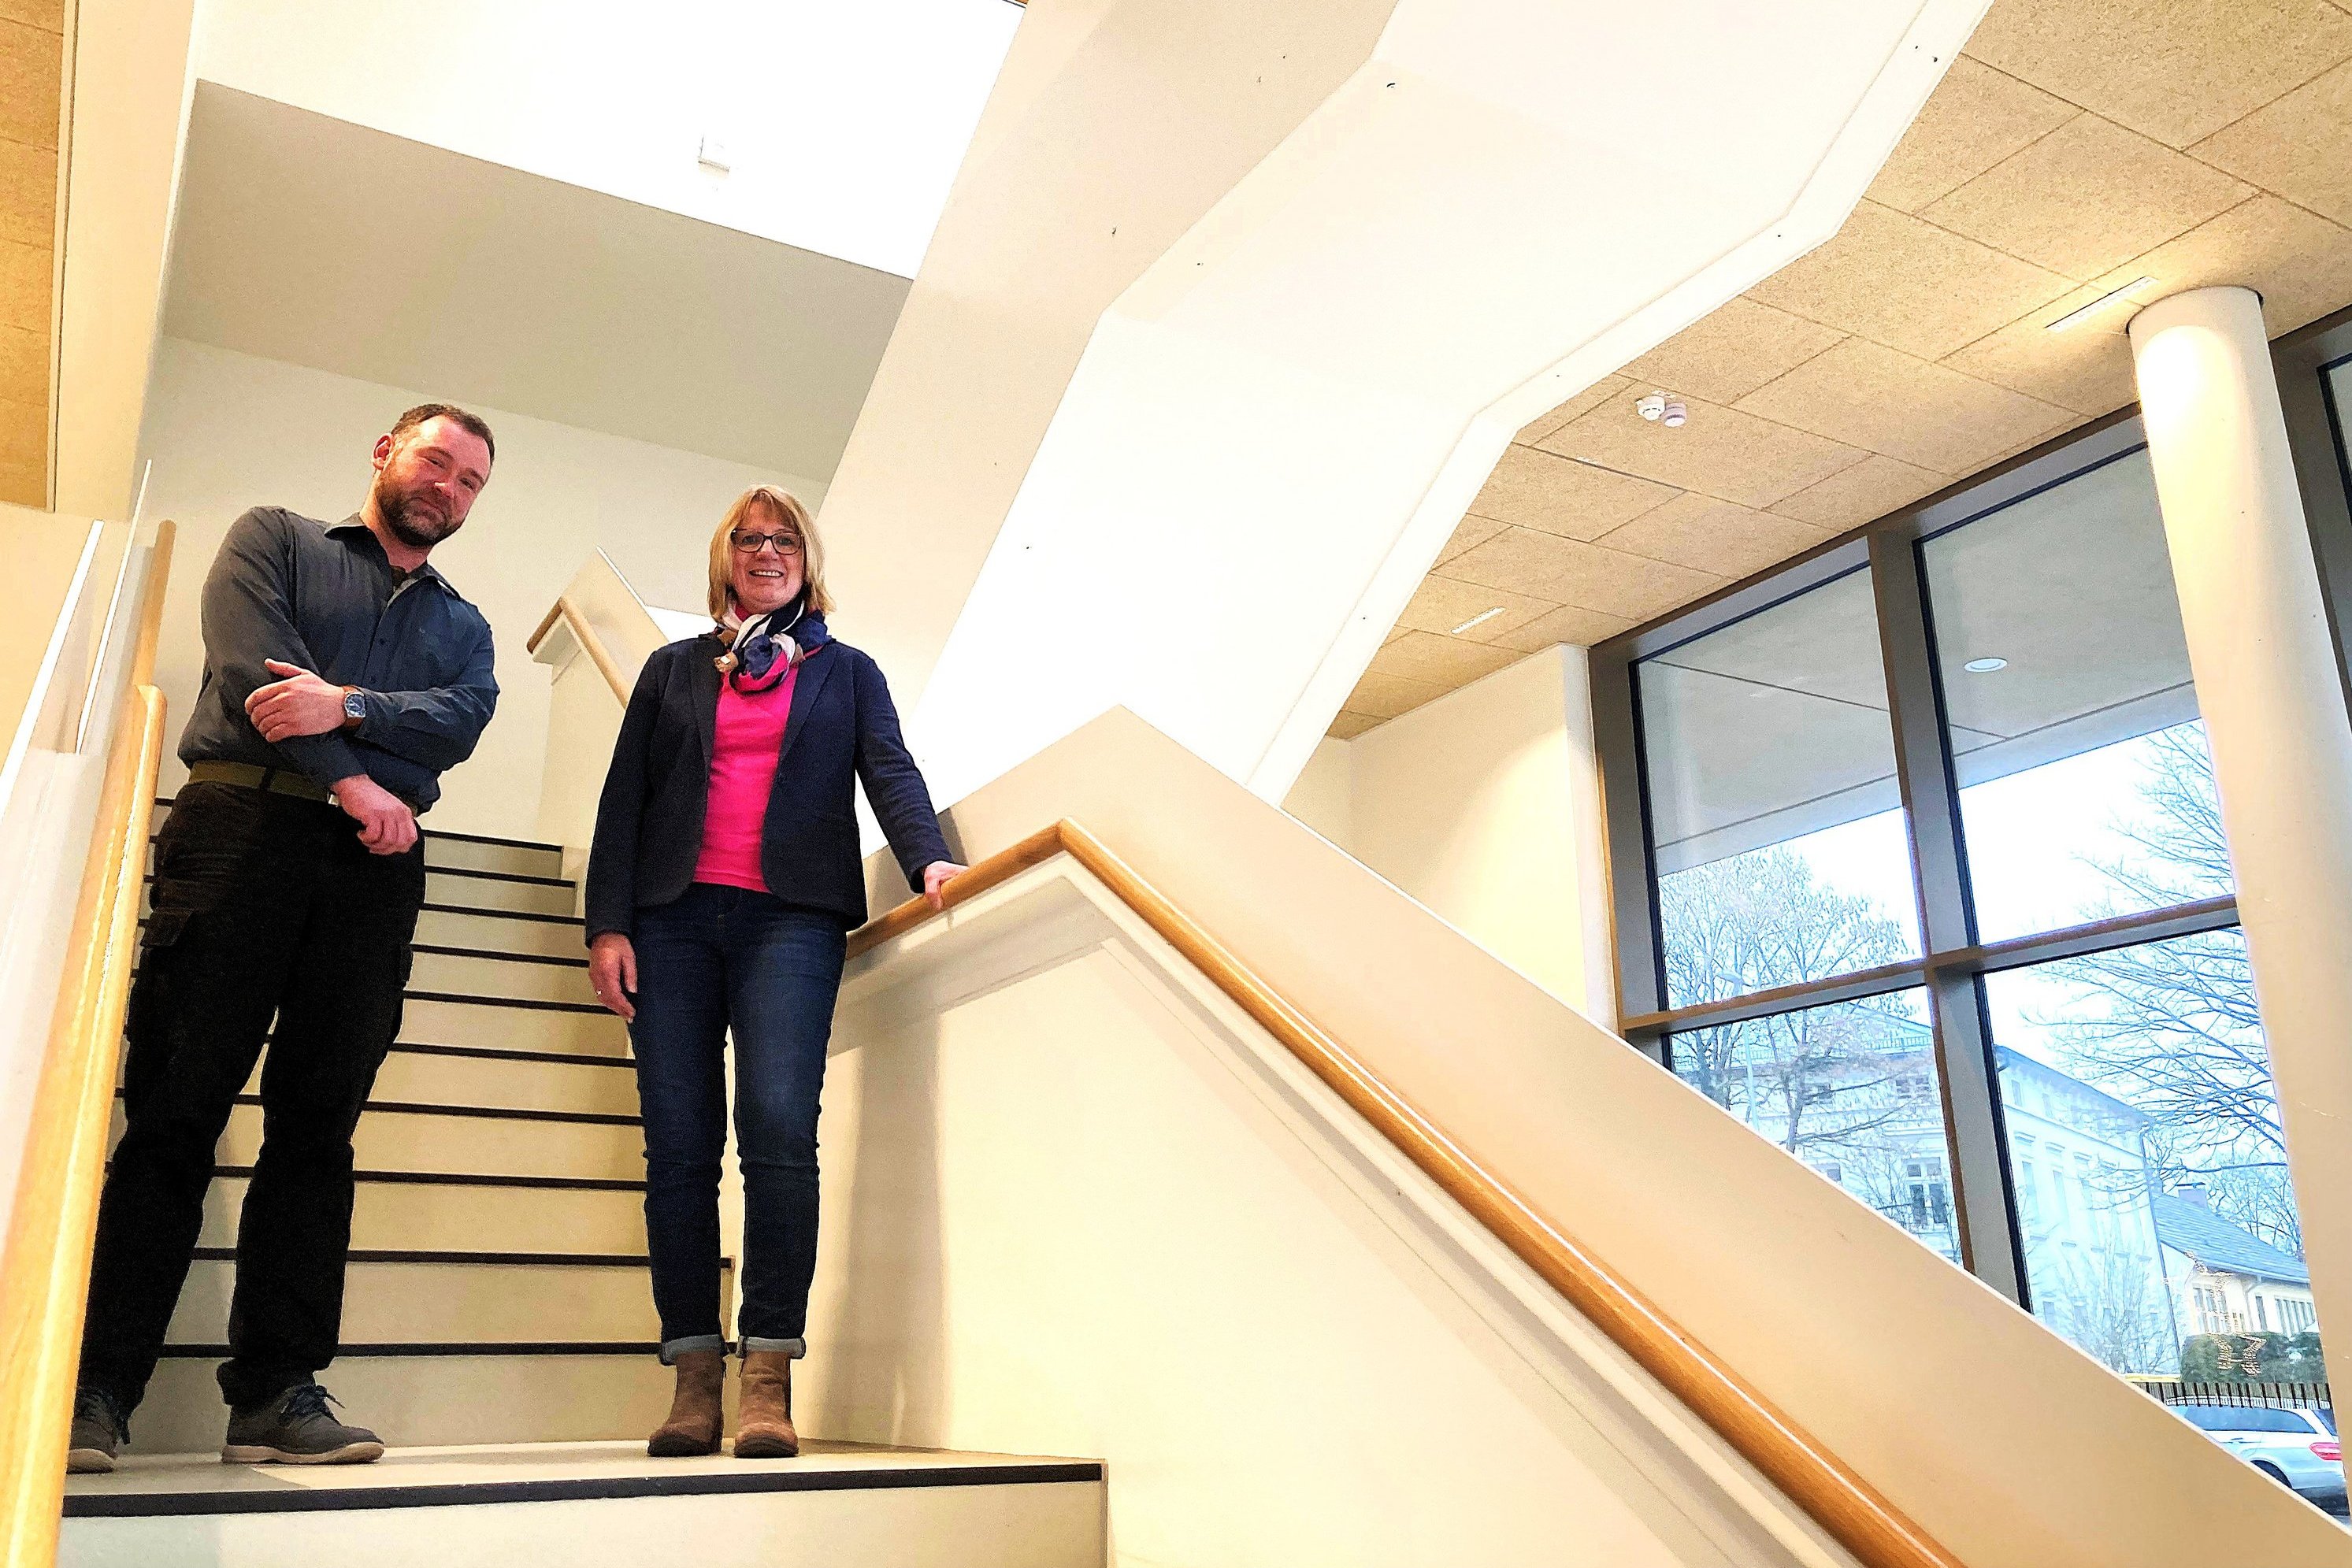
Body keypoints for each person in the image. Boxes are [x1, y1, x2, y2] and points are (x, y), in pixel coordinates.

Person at [67, 405, 500, 1473]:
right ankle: (90, 1384)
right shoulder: (277, 539)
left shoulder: (467, 624)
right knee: (174, 1112)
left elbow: (461, 718)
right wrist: (357, 775)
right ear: (385, 451)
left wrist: (345, 701)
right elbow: (252, 677)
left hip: (373, 872)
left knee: (319, 1131)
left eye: (470, 480)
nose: (447, 485)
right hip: (238, 832)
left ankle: (273, 1390)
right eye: (434, 460)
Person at [584, 484, 962, 1460]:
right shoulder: (673, 671)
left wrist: (928, 856)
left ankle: (767, 1374)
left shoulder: (847, 672)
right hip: (669, 923)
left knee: (781, 1132)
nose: (767, 551)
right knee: (677, 1146)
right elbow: (624, 800)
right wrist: (607, 925)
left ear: (807, 557)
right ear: (726, 559)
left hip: (789, 921)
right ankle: (693, 1375)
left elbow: (891, 768)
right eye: (749, 538)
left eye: (784, 538)